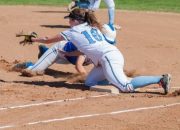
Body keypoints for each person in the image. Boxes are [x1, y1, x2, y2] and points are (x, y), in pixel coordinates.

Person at [30, 9, 171, 94]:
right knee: (90, 82)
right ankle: (117, 79)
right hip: (106, 59)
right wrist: (71, 54)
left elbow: (49, 40)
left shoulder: (73, 32)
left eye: (70, 19)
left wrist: (35, 40)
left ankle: (160, 79)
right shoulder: (92, 27)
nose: (69, 22)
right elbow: (86, 49)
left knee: (126, 87)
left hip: (108, 58)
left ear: (75, 21)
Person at [16, 23, 116, 77]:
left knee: (49, 60)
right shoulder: (89, 46)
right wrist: (86, 78)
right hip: (60, 52)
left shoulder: (102, 48)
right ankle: (28, 64)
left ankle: (44, 52)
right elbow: (78, 66)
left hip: (69, 56)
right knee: (34, 71)